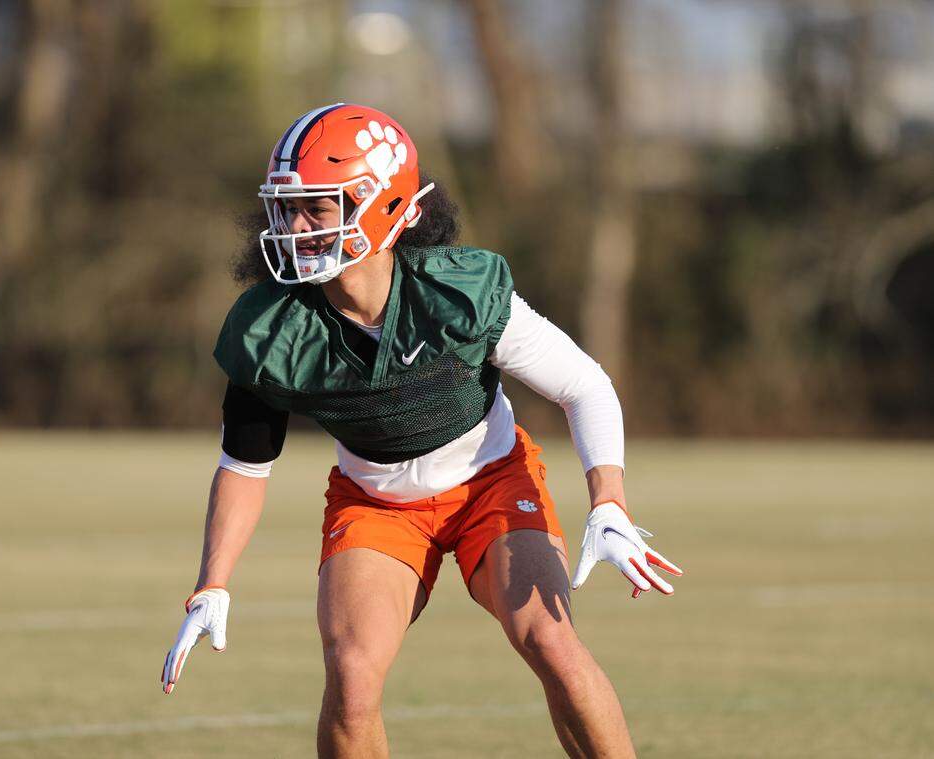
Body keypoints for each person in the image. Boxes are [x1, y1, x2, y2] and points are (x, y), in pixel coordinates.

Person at [160, 103, 682, 758]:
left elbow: (584, 384)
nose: (292, 226)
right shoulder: (272, 329)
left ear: (384, 207)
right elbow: (244, 464)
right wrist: (213, 579)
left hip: (489, 483)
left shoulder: (456, 293)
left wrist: (609, 500)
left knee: (552, 644)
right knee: (351, 680)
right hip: (376, 503)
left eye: (316, 207)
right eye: (286, 207)